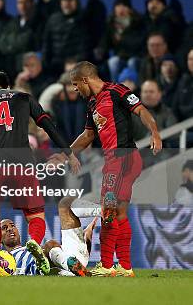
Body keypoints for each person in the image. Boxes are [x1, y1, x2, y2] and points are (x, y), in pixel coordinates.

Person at [0, 71, 80, 255]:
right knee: (35, 214)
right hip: (23, 163)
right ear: (7, 86)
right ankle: (32, 249)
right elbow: (48, 126)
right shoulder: (24, 97)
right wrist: (69, 153)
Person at [69, 61, 162, 277]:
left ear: (85, 79)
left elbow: (141, 111)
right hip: (116, 162)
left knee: (107, 211)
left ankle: (107, 265)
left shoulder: (116, 90)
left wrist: (155, 133)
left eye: (75, 84)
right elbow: (88, 135)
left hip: (123, 158)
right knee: (118, 213)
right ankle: (126, 268)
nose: (74, 89)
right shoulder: (92, 104)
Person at [97, 0, 147, 81]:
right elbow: (105, 42)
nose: (121, 9)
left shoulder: (137, 22)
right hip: (120, 58)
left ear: (130, 9)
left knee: (132, 62)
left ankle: (133, 89)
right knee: (113, 62)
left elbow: (138, 43)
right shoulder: (111, 24)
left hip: (136, 56)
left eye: (124, 6)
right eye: (118, 5)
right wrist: (100, 50)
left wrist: (122, 38)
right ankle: (116, 91)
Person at [0, 0, 42, 78]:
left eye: (26, 2)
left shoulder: (40, 23)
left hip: (33, 74)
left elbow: (29, 41)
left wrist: (12, 43)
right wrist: (20, 43)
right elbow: (2, 45)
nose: (23, 6)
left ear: (32, 3)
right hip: (12, 72)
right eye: (20, 2)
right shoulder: (12, 22)